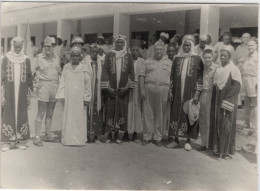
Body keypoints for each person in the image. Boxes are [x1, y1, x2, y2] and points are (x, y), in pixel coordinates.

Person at [167, 35, 204, 151]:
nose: (186, 47)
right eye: (184, 45)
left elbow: (200, 77)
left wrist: (197, 93)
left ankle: (187, 141)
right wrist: (170, 91)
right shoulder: (177, 59)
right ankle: (175, 139)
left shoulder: (197, 59)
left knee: (189, 113)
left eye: (189, 45)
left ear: (192, 46)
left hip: (190, 91)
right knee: (176, 112)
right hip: (177, 91)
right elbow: (172, 76)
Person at [208, 45, 241, 160]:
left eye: (224, 56)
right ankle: (217, 149)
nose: (222, 57)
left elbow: (236, 87)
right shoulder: (218, 68)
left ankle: (225, 151)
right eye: (221, 55)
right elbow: (215, 84)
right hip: (217, 99)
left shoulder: (234, 69)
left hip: (228, 101)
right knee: (217, 122)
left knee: (226, 124)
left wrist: (227, 102)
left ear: (230, 57)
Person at [1, 37, 33, 151]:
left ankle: (20, 140)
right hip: (9, 93)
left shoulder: (26, 60)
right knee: (8, 114)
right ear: (12, 46)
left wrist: (29, 94)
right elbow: (2, 78)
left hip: (22, 93)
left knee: (21, 114)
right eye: (16, 47)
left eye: (20, 47)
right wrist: (2, 94)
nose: (18, 49)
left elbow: (29, 77)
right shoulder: (6, 58)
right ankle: (7, 141)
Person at [101, 34, 134, 144]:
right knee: (110, 111)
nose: (119, 44)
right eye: (117, 42)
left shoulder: (128, 55)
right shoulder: (109, 55)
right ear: (115, 43)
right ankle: (110, 135)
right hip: (111, 88)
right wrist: (107, 86)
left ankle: (119, 136)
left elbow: (131, 71)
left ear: (124, 44)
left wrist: (127, 87)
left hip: (123, 89)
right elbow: (105, 70)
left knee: (122, 111)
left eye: (121, 42)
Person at [56, 47, 91, 146]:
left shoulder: (84, 68)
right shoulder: (66, 67)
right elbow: (62, 82)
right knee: (69, 117)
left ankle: (79, 140)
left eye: (77, 56)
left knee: (79, 117)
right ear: (70, 57)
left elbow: (87, 84)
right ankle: (68, 140)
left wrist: (87, 97)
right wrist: (61, 95)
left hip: (80, 98)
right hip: (69, 97)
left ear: (80, 57)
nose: (75, 57)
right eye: (73, 55)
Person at [139, 40, 172, 147]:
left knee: (160, 114)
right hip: (149, 88)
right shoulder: (147, 61)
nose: (159, 51)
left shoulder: (169, 62)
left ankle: (158, 137)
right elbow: (141, 76)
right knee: (147, 113)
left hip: (163, 89)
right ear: (154, 50)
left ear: (164, 50)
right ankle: (147, 136)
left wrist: (170, 91)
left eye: (161, 49)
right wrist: (141, 90)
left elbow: (172, 79)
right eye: (157, 49)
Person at [33, 36, 61, 147]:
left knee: (50, 113)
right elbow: (32, 73)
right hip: (43, 86)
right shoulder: (39, 58)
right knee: (41, 112)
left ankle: (48, 134)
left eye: (49, 46)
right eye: (45, 46)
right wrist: (36, 84)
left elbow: (59, 73)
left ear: (54, 47)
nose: (47, 48)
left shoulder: (57, 58)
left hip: (54, 86)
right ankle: (37, 137)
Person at [198, 49, 218, 151]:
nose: (207, 59)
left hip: (211, 95)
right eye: (205, 57)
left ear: (213, 57)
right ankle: (203, 143)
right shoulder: (201, 68)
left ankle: (210, 145)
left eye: (209, 57)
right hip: (202, 94)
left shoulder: (216, 68)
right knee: (202, 120)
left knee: (209, 120)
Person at [85, 43, 105, 143]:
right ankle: (86, 135)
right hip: (88, 90)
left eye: (96, 52)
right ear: (90, 52)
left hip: (97, 91)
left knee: (97, 112)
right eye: (93, 51)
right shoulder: (85, 62)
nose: (94, 54)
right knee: (86, 112)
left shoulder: (101, 62)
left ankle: (95, 136)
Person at [127, 39, 145, 143]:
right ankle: (129, 132)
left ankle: (138, 132)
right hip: (129, 87)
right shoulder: (127, 61)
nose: (135, 52)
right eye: (133, 50)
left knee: (138, 109)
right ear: (130, 50)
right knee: (129, 109)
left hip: (139, 87)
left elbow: (143, 76)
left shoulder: (142, 62)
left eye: (137, 50)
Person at [241, 40, 258, 129]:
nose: (250, 47)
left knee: (255, 103)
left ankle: (256, 124)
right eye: (248, 45)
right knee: (246, 102)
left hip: (254, 81)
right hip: (245, 80)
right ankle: (246, 122)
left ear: (256, 46)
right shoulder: (246, 56)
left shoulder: (258, 56)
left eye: (252, 45)